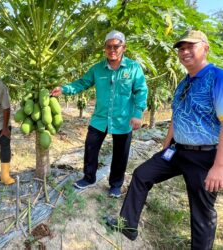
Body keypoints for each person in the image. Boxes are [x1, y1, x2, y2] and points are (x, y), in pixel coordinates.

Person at [105, 30, 223, 249]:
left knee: (201, 213)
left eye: (190, 46)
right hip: (177, 151)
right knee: (142, 174)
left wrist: (219, 166)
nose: (184, 51)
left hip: (205, 156)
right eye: (181, 48)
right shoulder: (184, 82)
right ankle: (127, 226)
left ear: (205, 48)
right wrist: (167, 142)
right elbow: (178, 114)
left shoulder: (218, 77)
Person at [50, 30, 148, 197]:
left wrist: (138, 113)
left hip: (123, 119)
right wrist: (64, 89)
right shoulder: (97, 69)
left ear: (123, 47)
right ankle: (89, 178)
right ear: (105, 48)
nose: (112, 50)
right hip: (100, 118)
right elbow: (82, 83)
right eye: (108, 46)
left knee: (120, 154)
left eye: (116, 46)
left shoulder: (133, 68)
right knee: (90, 147)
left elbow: (141, 90)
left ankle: (115, 185)